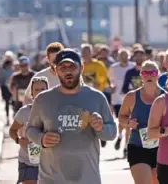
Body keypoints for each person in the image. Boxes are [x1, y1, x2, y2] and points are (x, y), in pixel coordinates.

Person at [26, 49, 117, 184]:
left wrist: (101, 127)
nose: (68, 71)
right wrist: (42, 139)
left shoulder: (96, 97)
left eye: (72, 67)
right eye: (62, 67)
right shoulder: (43, 99)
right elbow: (31, 130)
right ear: (56, 71)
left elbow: (111, 133)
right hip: (51, 178)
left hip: (87, 178)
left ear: (81, 68)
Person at [118, 60, 164, 184]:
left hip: (162, 147)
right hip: (137, 146)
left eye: (153, 73)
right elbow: (121, 116)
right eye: (145, 73)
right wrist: (128, 122)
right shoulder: (131, 96)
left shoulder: (167, 97)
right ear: (141, 76)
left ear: (158, 74)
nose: (149, 75)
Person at [9, 76, 49, 184]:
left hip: (50, 162)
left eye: (43, 89)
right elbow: (12, 130)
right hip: (28, 161)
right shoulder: (24, 112)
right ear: (32, 93)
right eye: (36, 90)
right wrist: (18, 140)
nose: (40, 92)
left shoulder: (54, 111)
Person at [110, 48, 135, 152]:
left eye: (126, 55)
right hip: (117, 98)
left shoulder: (133, 67)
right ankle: (120, 136)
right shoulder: (113, 68)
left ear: (129, 56)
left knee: (128, 123)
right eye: (121, 56)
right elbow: (111, 81)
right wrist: (111, 87)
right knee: (121, 122)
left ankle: (126, 146)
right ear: (118, 57)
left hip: (130, 98)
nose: (124, 58)